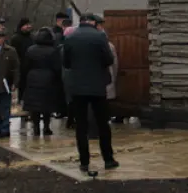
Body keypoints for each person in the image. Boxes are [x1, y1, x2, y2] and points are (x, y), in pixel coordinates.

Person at [62, 13, 119, 172]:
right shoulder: (99, 37)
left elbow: (66, 63)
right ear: (93, 22)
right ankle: (108, 159)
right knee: (103, 124)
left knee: (81, 126)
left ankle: (84, 162)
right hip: (97, 86)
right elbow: (108, 59)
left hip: (78, 87)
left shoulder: (70, 37)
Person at [21, 27, 63, 136]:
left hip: (33, 78)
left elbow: (25, 66)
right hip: (48, 79)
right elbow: (57, 67)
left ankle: (36, 127)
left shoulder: (31, 50)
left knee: (34, 106)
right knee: (47, 105)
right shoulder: (53, 50)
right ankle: (46, 127)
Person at [97, 18, 122, 124]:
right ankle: (104, 118)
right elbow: (115, 64)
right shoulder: (110, 46)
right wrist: (114, 77)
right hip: (107, 77)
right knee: (105, 100)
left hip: (97, 79)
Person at [11, 18, 34, 124]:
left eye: (29, 24)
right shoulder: (16, 38)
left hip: (31, 69)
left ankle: (31, 111)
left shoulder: (32, 37)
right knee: (22, 91)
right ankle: (23, 112)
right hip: (21, 69)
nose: (28, 26)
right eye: (26, 25)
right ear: (21, 26)